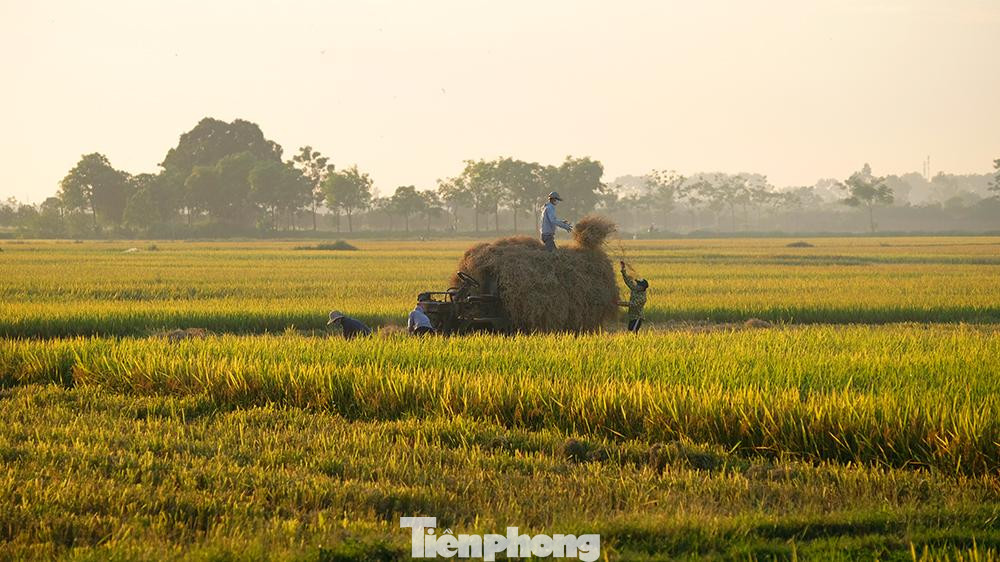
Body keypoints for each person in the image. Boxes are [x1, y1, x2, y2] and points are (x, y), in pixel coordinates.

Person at [619, 261, 648, 333]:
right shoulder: (635, 289)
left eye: (638, 284)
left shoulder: (642, 298)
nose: (636, 285)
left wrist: (619, 303)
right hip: (632, 317)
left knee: (633, 332)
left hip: (638, 318)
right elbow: (628, 281)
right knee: (630, 332)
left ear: (642, 288)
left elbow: (632, 304)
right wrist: (623, 269)